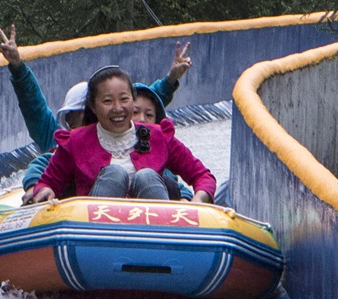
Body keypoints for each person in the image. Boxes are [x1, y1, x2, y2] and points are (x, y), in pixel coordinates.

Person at [0, 25, 193, 198]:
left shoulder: (149, 144)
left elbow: (141, 103)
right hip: (87, 218)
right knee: (113, 175)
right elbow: (34, 109)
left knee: (149, 177)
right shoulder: (65, 146)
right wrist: (18, 67)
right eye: (84, 118)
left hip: (148, 217)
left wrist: (185, 199)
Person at [30, 66, 215, 203]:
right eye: (108, 101)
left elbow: (202, 176)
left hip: (154, 228)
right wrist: (44, 191)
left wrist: (197, 201)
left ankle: (160, 242)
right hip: (94, 231)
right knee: (114, 174)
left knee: (147, 177)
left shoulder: (159, 136)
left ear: (132, 101)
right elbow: (47, 182)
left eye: (124, 99)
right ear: (93, 107)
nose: (118, 109)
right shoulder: (75, 142)